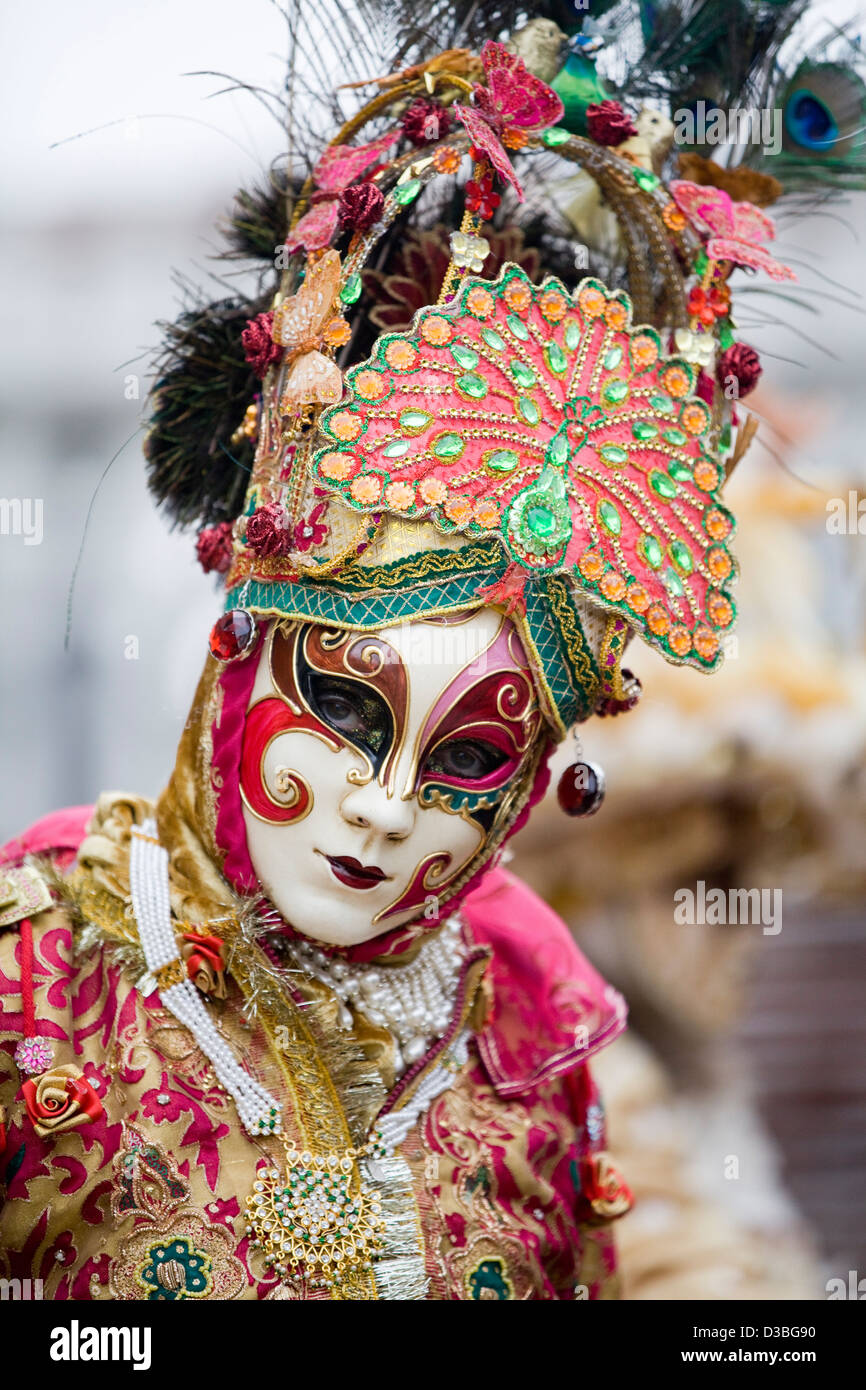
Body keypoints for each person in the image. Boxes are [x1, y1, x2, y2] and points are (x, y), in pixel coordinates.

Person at [0, 19, 775, 1301]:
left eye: (471, 757)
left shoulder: (528, 1049)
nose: (384, 802)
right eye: (349, 706)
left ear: (530, 785)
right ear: (241, 658)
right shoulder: (36, 970)